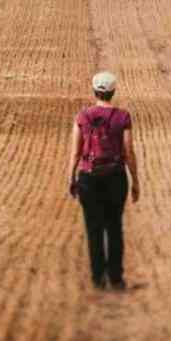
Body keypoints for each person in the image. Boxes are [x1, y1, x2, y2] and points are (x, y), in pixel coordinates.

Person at [68, 71, 140, 290]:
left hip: (88, 178)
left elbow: (75, 152)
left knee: (93, 228)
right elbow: (128, 151)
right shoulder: (123, 117)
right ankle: (116, 278)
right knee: (114, 226)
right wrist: (135, 180)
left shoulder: (82, 117)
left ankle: (98, 277)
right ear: (113, 91)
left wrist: (71, 177)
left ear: (94, 90)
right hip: (115, 177)